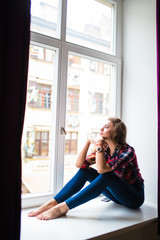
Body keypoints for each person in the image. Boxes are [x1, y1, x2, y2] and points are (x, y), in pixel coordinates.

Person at [28, 117, 144, 220]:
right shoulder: (104, 149)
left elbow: (102, 170)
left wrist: (98, 145)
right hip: (116, 197)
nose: (102, 128)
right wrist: (88, 142)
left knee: (107, 175)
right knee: (86, 171)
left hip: (133, 198)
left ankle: (63, 207)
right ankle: (53, 202)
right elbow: (80, 165)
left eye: (107, 127)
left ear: (116, 132)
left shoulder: (128, 151)